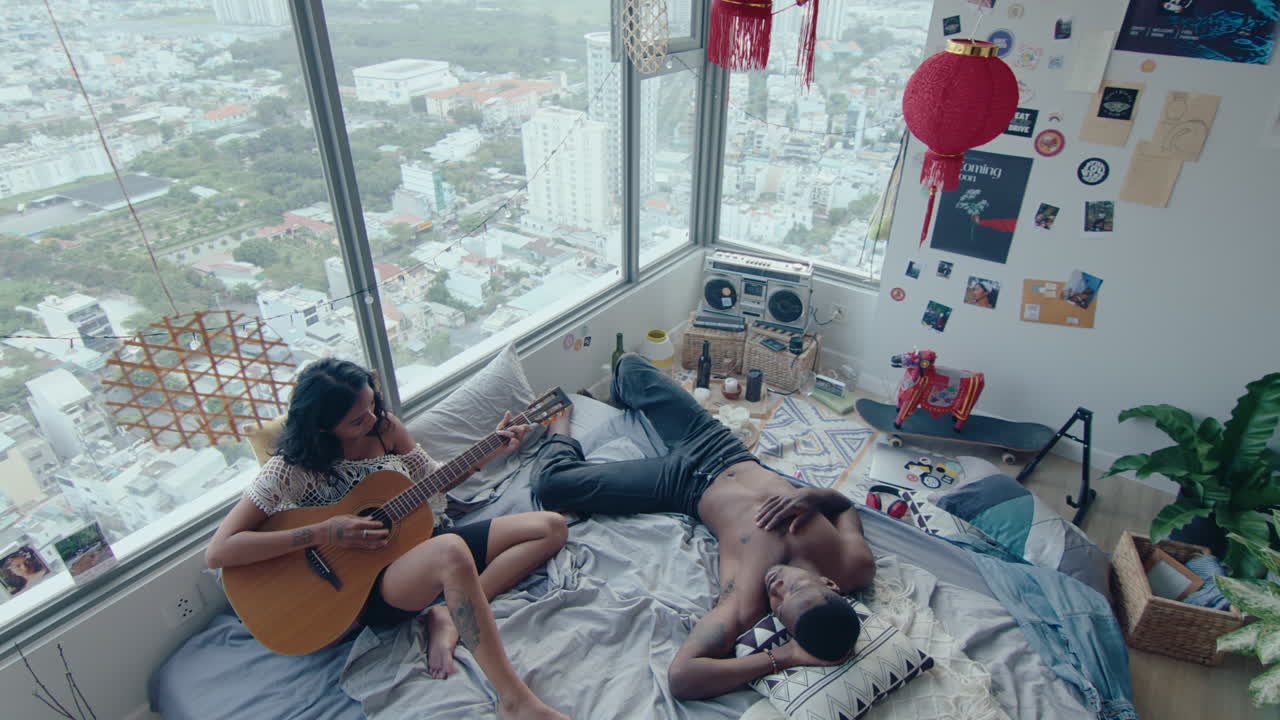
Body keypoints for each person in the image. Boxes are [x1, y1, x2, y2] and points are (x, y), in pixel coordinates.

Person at [206, 358, 570, 720]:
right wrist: (323, 531)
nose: (372, 419)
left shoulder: (385, 429)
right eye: (357, 419)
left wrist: (489, 450)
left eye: (372, 405)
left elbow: (433, 479)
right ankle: (514, 701)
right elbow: (219, 552)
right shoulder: (289, 470)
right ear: (321, 427)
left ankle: (448, 614)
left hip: (424, 545)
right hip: (364, 586)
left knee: (551, 527)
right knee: (451, 550)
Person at [532, 354, 873, 701]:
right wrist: (815, 497)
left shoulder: (745, 600)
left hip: (683, 485)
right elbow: (845, 506)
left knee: (551, 486)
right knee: (629, 366)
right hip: (720, 445)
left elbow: (682, 677)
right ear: (829, 584)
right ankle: (620, 409)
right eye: (796, 589)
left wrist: (784, 657)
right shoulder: (854, 566)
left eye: (780, 606)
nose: (778, 587)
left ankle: (560, 431)